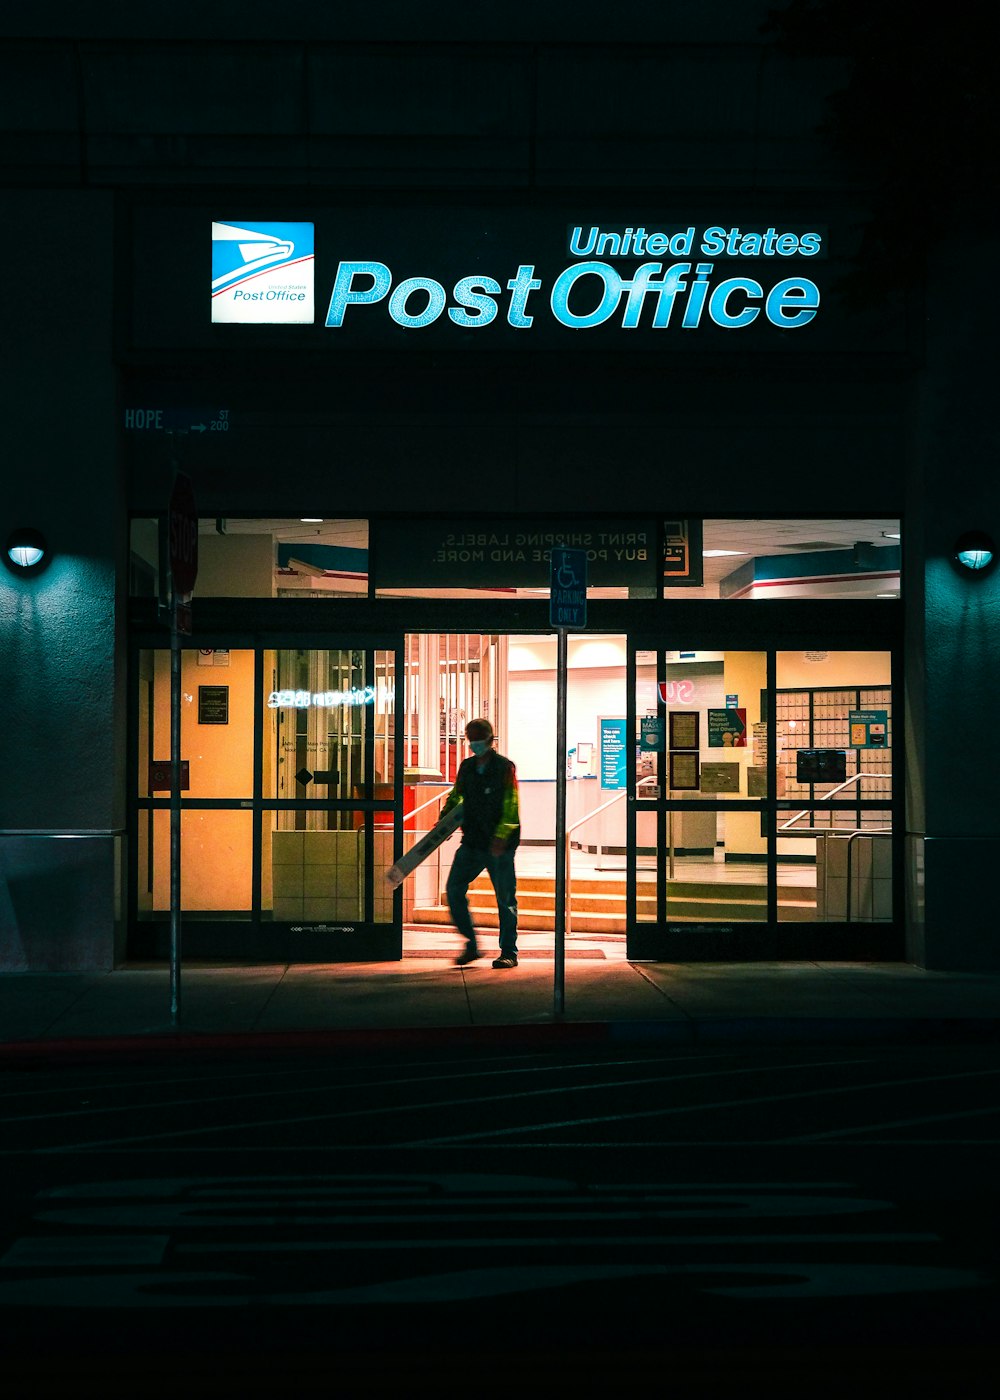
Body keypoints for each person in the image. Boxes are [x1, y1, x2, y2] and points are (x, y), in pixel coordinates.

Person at [442, 718, 520, 969]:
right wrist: (444, 822)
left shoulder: (504, 767)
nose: (473, 743)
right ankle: (471, 944)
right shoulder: (467, 768)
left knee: (505, 899)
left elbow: (511, 804)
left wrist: (502, 835)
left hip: (499, 845)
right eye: (469, 738)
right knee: (454, 889)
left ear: (489, 738)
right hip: (473, 841)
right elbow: (456, 796)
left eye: (477, 737)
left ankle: (509, 952)